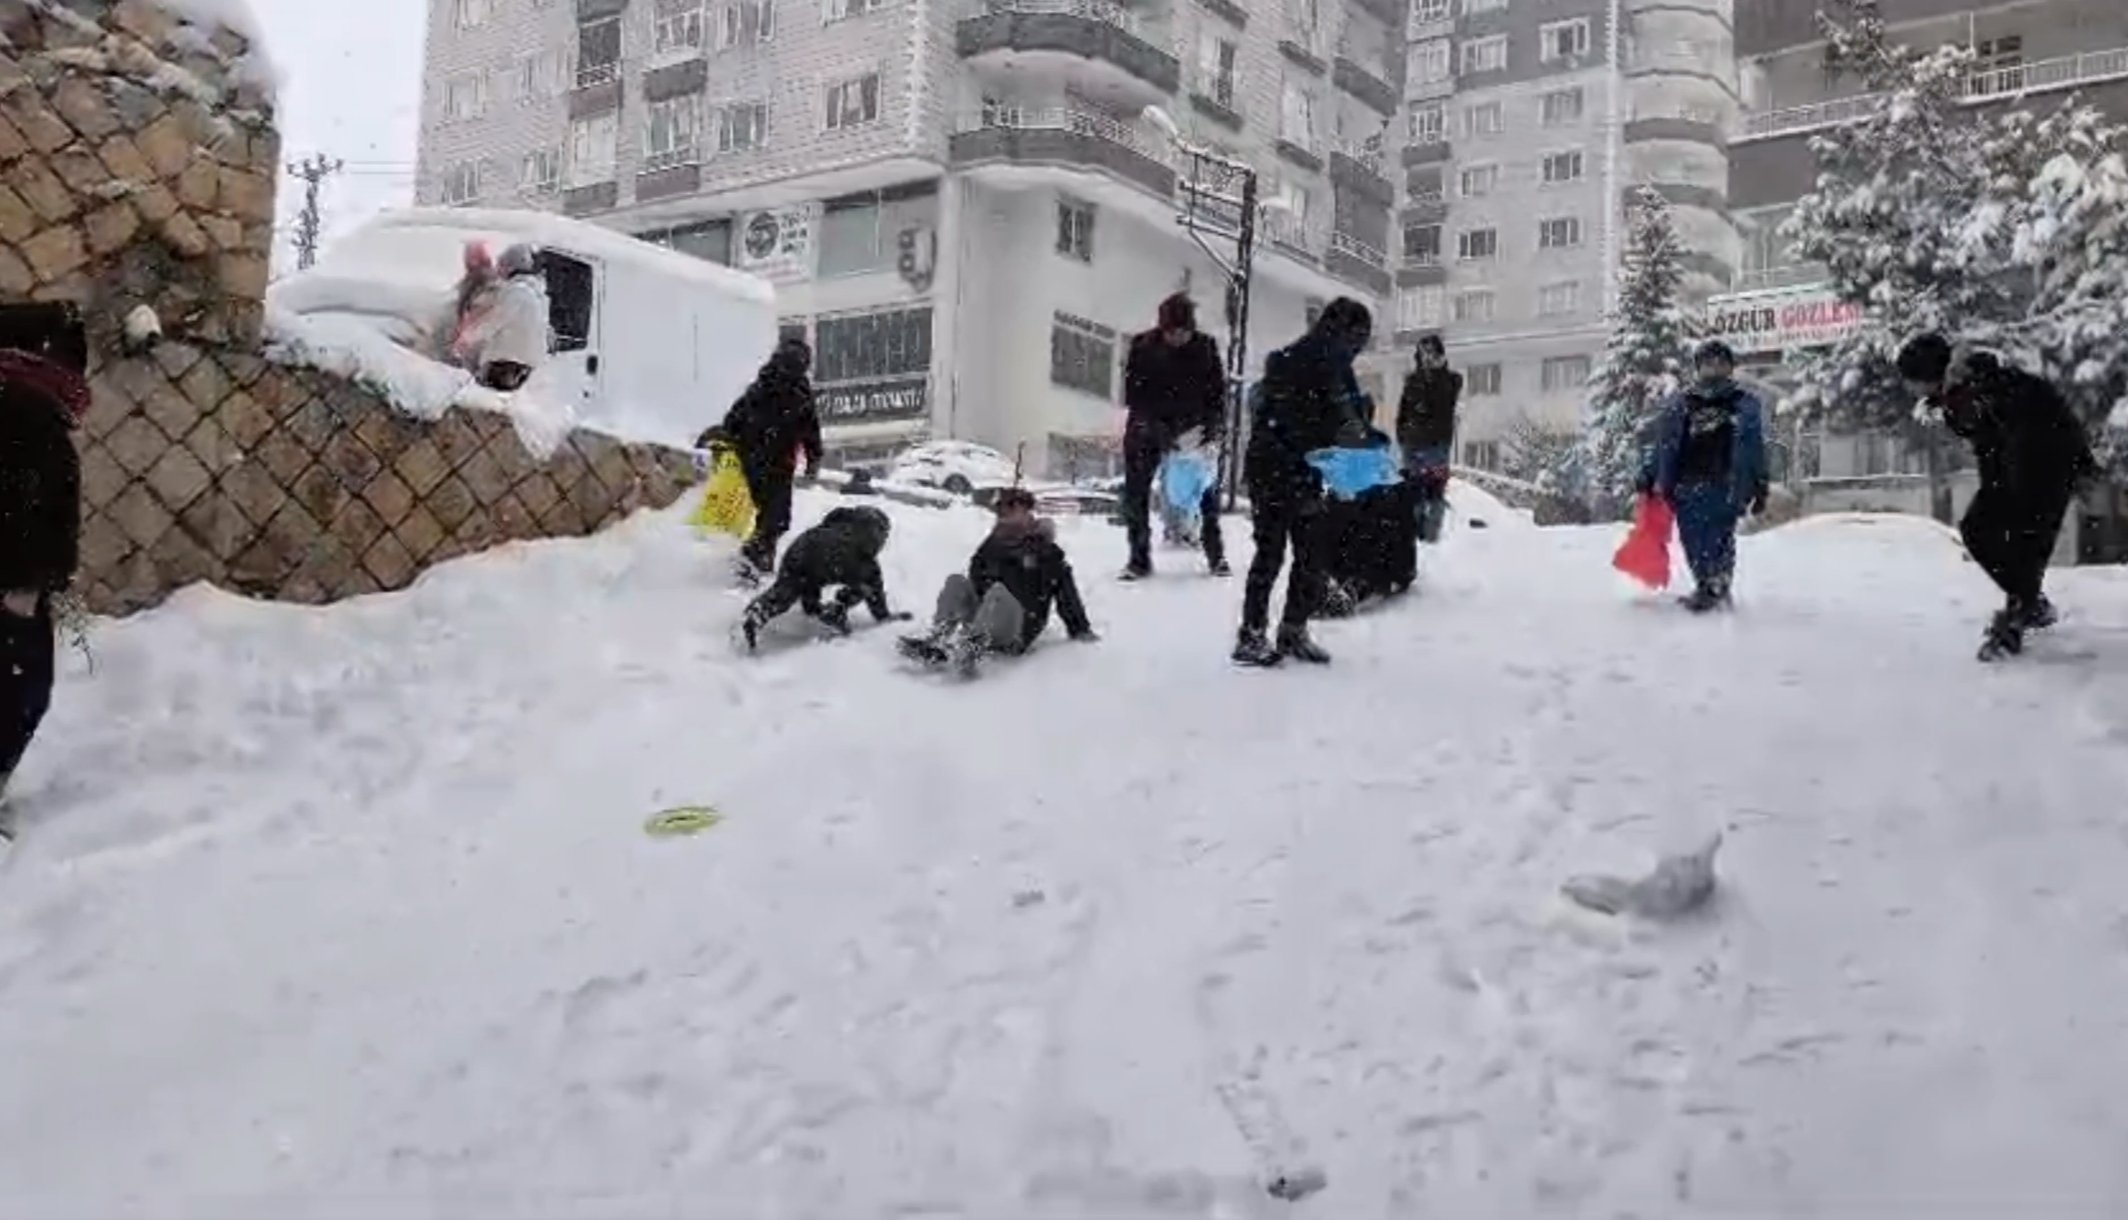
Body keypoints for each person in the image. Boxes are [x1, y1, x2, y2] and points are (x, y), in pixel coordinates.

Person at [1895, 333, 2098, 659]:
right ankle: (2028, 605)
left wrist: (2019, 487)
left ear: (1927, 374)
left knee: (2026, 540)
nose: (1909, 389)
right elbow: (1988, 448)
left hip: (2050, 461)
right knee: (1977, 529)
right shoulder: (1956, 399)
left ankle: (2017, 618)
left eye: (1911, 380)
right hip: (2017, 468)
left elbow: (2033, 422)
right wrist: (1995, 490)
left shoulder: (1983, 386)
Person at [1234, 297, 1375, 666]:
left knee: (1301, 554)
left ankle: (1285, 630)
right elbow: (1327, 420)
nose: (1359, 348)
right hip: (1282, 467)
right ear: (1346, 332)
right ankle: (1258, 635)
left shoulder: (1315, 361)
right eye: (1359, 338)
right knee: (1284, 554)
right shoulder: (1313, 362)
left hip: (1292, 468)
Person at [0, 302, 87, 843]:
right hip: (12, 590)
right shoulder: (26, 412)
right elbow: (25, 507)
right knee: (19, 690)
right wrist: (22, 586)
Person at [897, 486, 1098, 673]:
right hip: (986, 619)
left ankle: (971, 649)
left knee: (998, 592)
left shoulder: (1045, 550)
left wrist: (1080, 629)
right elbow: (975, 575)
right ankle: (938, 640)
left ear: (1027, 510)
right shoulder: (992, 544)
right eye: (1001, 507)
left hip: (1019, 628)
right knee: (956, 581)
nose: (1005, 512)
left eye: (1012, 506)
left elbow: (1065, 591)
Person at [1637, 338, 1769, 613]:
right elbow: (1665, 444)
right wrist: (1649, 475)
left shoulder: (1743, 404)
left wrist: (1760, 485)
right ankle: (1706, 583)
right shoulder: (1682, 404)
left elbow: (1754, 448)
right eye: (1709, 364)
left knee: (1721, 536)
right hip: (1688, 484)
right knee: (1693, 538)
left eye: (1721, 363)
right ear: (1699, 368)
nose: (1715, 369)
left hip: (1726, 484)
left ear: (1730, 368)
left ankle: (1717, 584)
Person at [1121, 293, 1228, 579]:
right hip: (1147, 429)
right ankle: (1138, 558)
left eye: (1183, 332)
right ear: (1162, 328)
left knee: (1205, 491)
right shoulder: (1143, 347)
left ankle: (1215, 554)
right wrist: (1160, 432)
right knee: (1136, 494)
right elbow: (1134, 396)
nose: (1177, 338)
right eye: (1172, 332)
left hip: (1192, 430)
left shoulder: (1205, 348)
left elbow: (1217, 396)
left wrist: (1210, 431)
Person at [708, 337, 823, 578]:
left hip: (764, 462)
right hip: (767, 462)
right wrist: (813, 460)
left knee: (772, 518)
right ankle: (754, 558)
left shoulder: (770, 387)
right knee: (774, 519)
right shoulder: (785, 390)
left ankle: (759, 560)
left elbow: (733, 420)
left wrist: (727, 442)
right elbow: (810, 431)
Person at [738, 506, 909, 650]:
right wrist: (883, 615)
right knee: (864, 585)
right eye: (882, 535)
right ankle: (835, 609)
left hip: (803, 551)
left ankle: (757, 614)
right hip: (821, 559)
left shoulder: (833, 530)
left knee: (792, 587)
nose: (882, 541)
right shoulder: (863, 557)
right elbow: (875, 591)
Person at [1395, 334, 1462, 543]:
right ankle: (1414, 535)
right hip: (1412, 445)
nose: (1427, 358)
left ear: (1440, 355)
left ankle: (1431, 538)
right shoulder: (1412, 381)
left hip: (1437, 446)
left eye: (1432, 353)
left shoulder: (1451, 379)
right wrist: (1402, 434)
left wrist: (1436, 371)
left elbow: (1444, 401)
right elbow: (1403, 410)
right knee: (1413, 492)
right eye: (1423, 353)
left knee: (1434, 492)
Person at [458, 242, 550, 392]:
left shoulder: (517, 292)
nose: (499, 270)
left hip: (507, 361)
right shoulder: (536, 295)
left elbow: (496, 320)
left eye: (502, 265)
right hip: (523, 362)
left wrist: (469, 338)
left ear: (511, 266)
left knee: (489, 400)